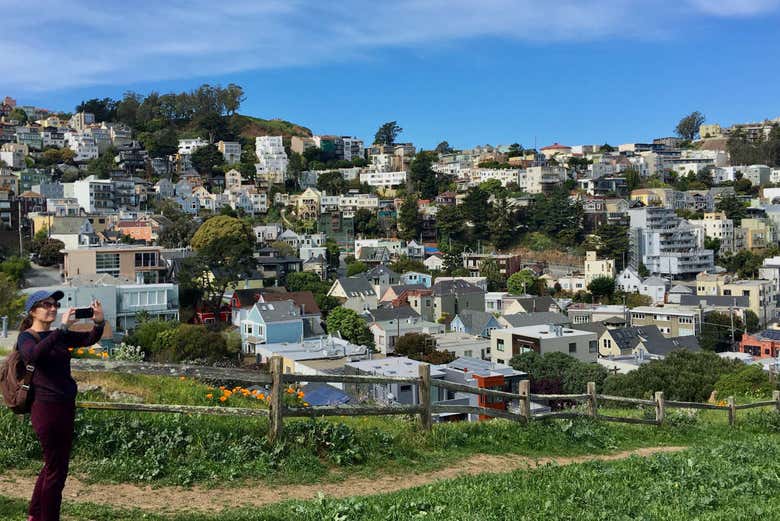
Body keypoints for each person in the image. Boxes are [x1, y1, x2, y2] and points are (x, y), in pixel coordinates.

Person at [17, 290, 105, 521]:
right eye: (47, 305)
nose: (53, 308)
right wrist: (62, 330)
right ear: (33, 310)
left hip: (64, 406)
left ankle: (36, 515)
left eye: (55, 304)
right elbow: (34, 355)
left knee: (52, 465)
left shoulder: (58, 336)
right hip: (46, 408)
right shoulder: (27, 337)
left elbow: (89, 339)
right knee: (57, 470)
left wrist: (98, 322)